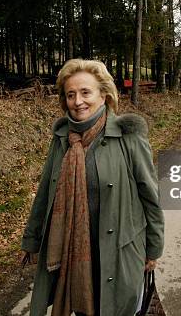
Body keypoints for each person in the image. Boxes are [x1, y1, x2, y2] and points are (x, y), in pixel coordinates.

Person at [21, 59, 164, 316]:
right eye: (71, 94)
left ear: (104, 94)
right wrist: (32, 240)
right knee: (85, 306)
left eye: (86, 92)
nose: (78, 102)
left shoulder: (128, 137)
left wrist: (153, 249)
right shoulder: (63, 138)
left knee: (118, 308)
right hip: (75, 250)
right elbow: (46, 191)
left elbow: (150, 197)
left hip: (120, 251)